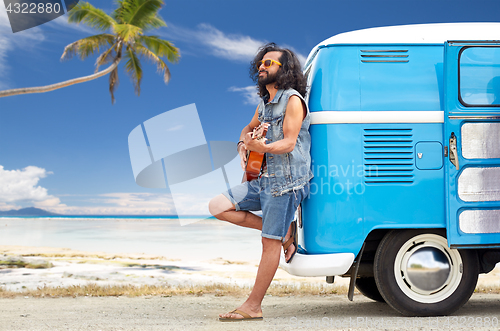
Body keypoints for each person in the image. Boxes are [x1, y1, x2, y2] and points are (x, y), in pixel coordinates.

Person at [208, 43, 313, 321]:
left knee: (268, 245)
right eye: (260, 64)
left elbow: (290, 143)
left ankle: (253, 306)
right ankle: (284, 234)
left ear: (285, 70)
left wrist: (262, 147)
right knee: (218, 206)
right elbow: (247, 129)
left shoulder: (292, 100)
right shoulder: (264, 103)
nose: (262, 67)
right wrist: (244, 144)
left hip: (286, 183)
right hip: (263, 179)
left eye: (269, 63)